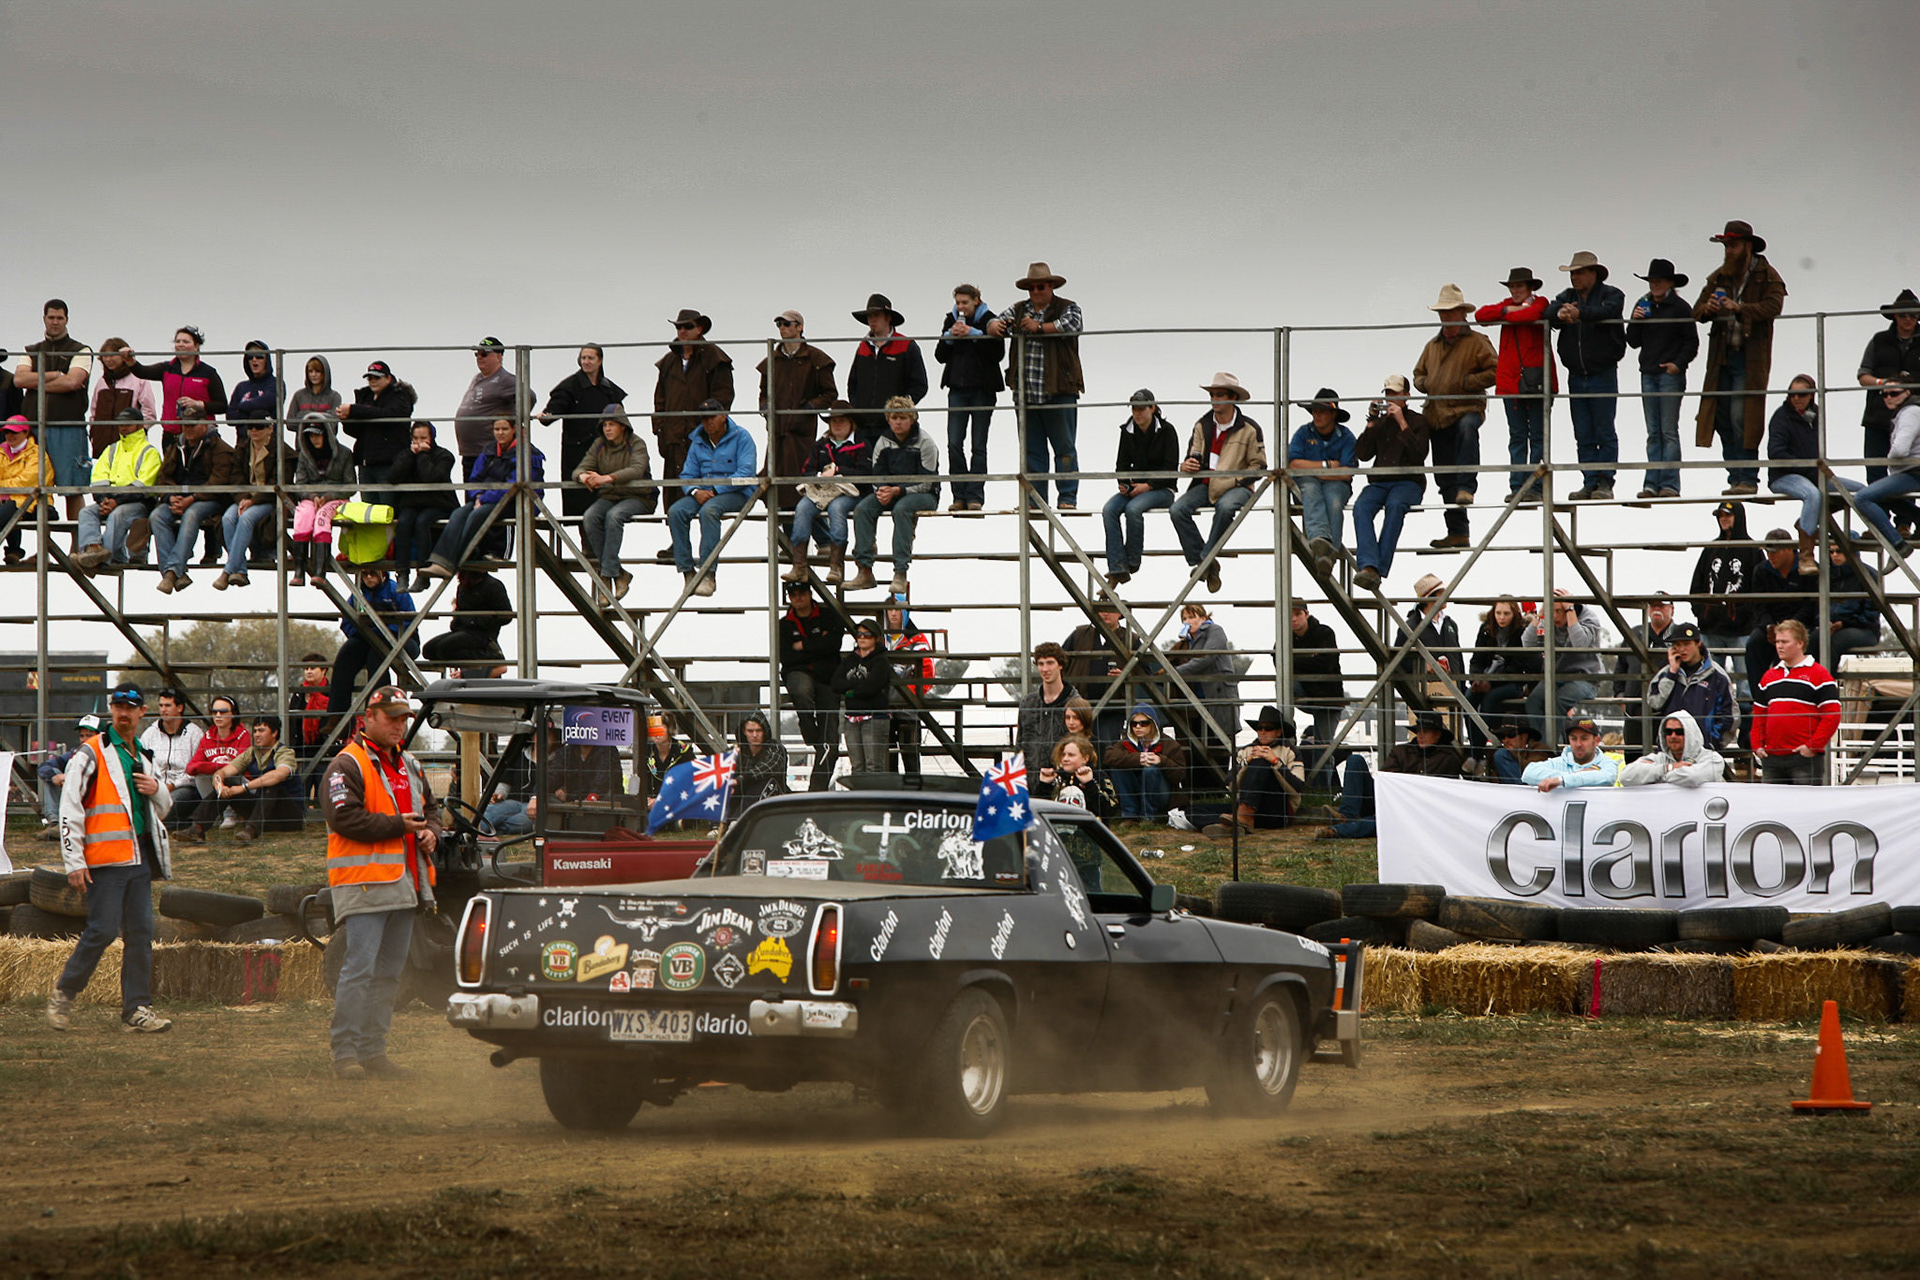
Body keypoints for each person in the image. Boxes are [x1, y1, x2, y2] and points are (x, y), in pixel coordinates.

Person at [323, 685, 442, 1079]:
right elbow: (344, 819)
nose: (398, 725)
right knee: (360, 969)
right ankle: (346, 1054)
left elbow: (432, 810)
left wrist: (433, 833)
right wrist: (399, 825)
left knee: (390, 972)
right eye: (390, 717)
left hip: (405, 883)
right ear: (368, 718)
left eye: (403, 718)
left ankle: (373, 1052)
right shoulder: (346, 764)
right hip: (364, 882)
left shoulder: (410, 763)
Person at [47, 684, 173, 1035]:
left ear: (141, 712)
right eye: (118, 706)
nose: (123, 712)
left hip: (138, 859)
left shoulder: (143, 755)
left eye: (130, 707)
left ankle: (136, 1010)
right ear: (111, 710)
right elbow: (69, 807)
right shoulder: (90, 752)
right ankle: (64, 993)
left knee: (141, 935)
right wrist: (74, 862)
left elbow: (165, 806)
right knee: (101, 931)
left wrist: (157, 789)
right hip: (104, 861)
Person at [1693, 220, 1788, 496]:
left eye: (1733, 245)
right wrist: (1708, 309)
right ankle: (1735, 477)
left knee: (1742, 416)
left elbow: (1775, 305)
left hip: (1750, 360)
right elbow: (1696, 310)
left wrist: (1741, 308)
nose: (1728, 251)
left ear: (1748, 246)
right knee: (1720, 417)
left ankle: (1748, 477)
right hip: (1721, 359)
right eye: (1726, 246)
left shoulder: (1768, 274)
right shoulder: (1719, 277)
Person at [987, 263, 1082, 509]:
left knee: (1065, 448)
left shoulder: (1068, 307)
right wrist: (993, 327)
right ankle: (1036, 501)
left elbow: (1073, 325)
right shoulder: (1018, 309)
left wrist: (1038, 328)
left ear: (1051, 286)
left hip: (1059, 390)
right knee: (1032, 451)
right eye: (1032, 287)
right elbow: (995, 321)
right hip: (1025, 393)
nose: (1037, 291)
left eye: (1041, 286)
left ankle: (1067, 498)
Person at [1414, 284, 1499, 545]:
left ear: (1462, 313)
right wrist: (1427, 385)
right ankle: (1458, 532)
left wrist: (1465, 381)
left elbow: (1496, 371)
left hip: (1467, 407)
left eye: (1450, 311)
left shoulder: (1477, 342)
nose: (1446, 317)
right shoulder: (1432, 345)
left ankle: (1467, 487)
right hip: (1437, 414)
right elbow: (1418, 375)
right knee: (1443, 475)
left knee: (1467, 430)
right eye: (1443, 312)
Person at [1170, 372, 1267, 592]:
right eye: (1212, 394)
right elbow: (1192, 455)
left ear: (1232, 397)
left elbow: (1259, 466)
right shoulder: (1201, 424)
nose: (1214, 398)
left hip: (1238, 487)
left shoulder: (1250, 429)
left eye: (1219, 394)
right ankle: (1206, 563)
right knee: (1177, 510)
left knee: (1225, 508)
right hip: (1205, 484)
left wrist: (1237, 480)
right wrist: (1186, 466)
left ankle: (1204, 560)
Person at [1548, 251, 1628, 500]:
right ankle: (1590, 480)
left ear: (1594, 273)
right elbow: (1549, 311)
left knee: (1603, 429)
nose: (1575, 277)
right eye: (1573, 273)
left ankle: (1605, 481)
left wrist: (1578, 313)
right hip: (1577, 372)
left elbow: (1607, 311)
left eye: (1579, 272)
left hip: (1602, 371)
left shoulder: (1611, 294)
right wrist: (1561, 314)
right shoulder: (1567, 297)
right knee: (1583, 431)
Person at [1314, 711, 1467, 841]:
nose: (1420, 735)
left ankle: (1337, 830)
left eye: (1425, 732)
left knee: (1387, 821)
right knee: (1355, 760)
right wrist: (1385, 800)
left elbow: (1469, 772)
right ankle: (1346, 815)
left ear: (1437, 735)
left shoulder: (1449, 757)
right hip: (1389, 798)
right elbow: (1385, 779)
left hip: (1414, 810)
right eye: (1418, 731)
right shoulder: (1402, 751)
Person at [425, 418, 545, 578]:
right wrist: (478, 496)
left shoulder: (528, 453)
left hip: (515, 501)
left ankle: (453, 561)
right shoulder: (489, 450)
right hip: (485, 499)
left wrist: (484, 499)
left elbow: (513, 485)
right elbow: (475, 478)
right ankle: (440, 561)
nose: (500, 433)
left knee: (478, 515)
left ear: (514, 430)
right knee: (459, 514)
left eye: (504, 429)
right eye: (497, 429)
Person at [1767, 375, 1861, 573]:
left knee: (1859, 491)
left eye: (1801, 394)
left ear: (1811, 395)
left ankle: (1807, 522)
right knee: (1812, 495)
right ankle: (1806, 557)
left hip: (1812, 475)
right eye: (1792, 394)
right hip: (1784, 476)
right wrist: (1808, 468)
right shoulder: (1781, 417)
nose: (1796, 399)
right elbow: (1776, 453)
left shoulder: (1816, 414)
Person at [1476, 268, 1555, 501]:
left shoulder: (1541, 302)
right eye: (1513, 287)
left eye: (1520, 286)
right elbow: (1481, 315)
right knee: (1518, 436)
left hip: (1537, 382)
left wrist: (1506, 314)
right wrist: (1507, 310)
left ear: (1530, 287)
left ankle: (1536, 487)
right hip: (1512, 383)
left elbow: (1531, 315)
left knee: (1538, 436)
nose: (1515, 290)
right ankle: (1518, 486)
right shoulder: (1508, 304)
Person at [1624, 258, 1700, 498]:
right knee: (1653, 432)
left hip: (1669, 376)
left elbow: (1692, 342)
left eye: (1659, 281)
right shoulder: (1643, 304)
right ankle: (1651, 484)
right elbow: (1633, 341)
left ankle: (1669, 484)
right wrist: (1635, 321)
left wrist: (1677, 365)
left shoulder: (1680, 307)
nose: (1654, 285)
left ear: (1669, 283)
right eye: (1652, 281)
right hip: (1648, 373)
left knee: (1668, 430)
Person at [849, 397, 938, 594]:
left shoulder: (926, 443)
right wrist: (881, 489)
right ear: (888, 419)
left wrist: (898, 490)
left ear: (912, 419)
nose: (898, 422)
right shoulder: (883, 441)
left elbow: (927, 482)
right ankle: (864, 570)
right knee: (863, 509)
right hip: (890, 492)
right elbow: (877, 473)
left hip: (923, 495)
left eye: (903, 418)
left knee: (902, 509)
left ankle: (900, 572)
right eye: (894, 417)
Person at [667, 399, 756, 597]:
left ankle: (708, 573)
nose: (708, 423)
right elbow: (688, 475)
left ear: (723, 416)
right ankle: (688, 572)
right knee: (675, 511)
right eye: (704, 419)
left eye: (712, 417)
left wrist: (716, 489)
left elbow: (746, 472)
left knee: (709, 511)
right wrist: (694, 491)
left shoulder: (742, 436)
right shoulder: (697, 441)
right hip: (703, 492)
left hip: (737, 493)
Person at [14, 299, 93, 519]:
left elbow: (72, 383)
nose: (55, 322)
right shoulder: (31, 350)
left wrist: (36, 382)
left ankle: (78, 548)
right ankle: (42, 550)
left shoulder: (81, 350)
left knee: (72, 488)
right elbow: (19, 379)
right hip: (34, 428)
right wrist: (55, 375)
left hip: (68, 428)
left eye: (60, 318)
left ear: (67, 320)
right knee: (35, 488)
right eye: (51, 317)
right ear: (44, 319)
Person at [1350, 375, 1429, 591]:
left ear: (1406, 395)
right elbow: (1363, 454)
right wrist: (1371, 423)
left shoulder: (1418, 421)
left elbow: (1419, 454)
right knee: (1361, 507)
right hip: (1380, 482)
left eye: (1395, 393)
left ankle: (1377, 568)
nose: (1391, 398)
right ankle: (1368, 565)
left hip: (1408, 482)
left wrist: (1402, 422)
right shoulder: (1380, 423)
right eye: (1387, 394)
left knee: (1395, 507)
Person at [755, 311, 837, 512]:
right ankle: (794, 541)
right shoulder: (771, 360)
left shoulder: (816, 359)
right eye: (779, 324)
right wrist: (765, 408)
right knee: (774, 488)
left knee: (802, 488)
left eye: (786, 323)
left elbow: (829, 393)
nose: (782, 327)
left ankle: (820, 539)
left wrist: (809, 408)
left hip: (802, 435)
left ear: (799, 327)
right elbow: (763, 392)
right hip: (776, 432)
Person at [150, 405, 236, 594]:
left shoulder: (219, 448)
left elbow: (219, 483)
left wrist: (193, 498)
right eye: (184, 425)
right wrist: (171, 496)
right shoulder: (176, 446)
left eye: (192, 425)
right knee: (157, 516)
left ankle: (172, 572)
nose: (187, 429)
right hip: (179, 498)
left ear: (205, 425)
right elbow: (163, 477)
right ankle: (174, 572)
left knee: (192, 514)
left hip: (209, 500)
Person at [574, 403, 655, 601]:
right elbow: (579, 468)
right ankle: (618, 574)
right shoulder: (599, 445)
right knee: (590, 516)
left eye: (612, 424)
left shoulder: (637, 443)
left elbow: (636, 469)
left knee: (614, 517)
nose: (607, 429)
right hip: (610, 496)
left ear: (623, 426)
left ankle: (606, 577)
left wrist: (607, 478)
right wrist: (584, 477)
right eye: (604, 425)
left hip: (639, 496)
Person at [1855, 289, 1920, 535]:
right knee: (1875, 473)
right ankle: (1879, 524)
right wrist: (1885, 385)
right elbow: (1863, 375)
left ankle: (1903, 525)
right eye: (1903, 314)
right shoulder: (1879, 340)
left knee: (1908, 472)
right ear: (1894, 316)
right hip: (1878, 417)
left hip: (1913, 418)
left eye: (1913, 315)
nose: (1908, 319)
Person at [652, 309, 734, 502]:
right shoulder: (668, 362)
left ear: (700, 329)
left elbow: (723, 397)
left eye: (688, 326)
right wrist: (660, 429)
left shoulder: (715, 357)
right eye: (679, 327)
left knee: (708, 502)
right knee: (675, 503)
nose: (682, 331)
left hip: (704, 439)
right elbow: (659, 401)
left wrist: (710, 427)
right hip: (673, 438)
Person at [935, 285, 1004, 511]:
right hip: (957, 389)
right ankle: (958, 495)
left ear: (976, 300)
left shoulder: (990, 320)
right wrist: (950, 337)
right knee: (954, 443)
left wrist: (975, 335)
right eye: (958, 302)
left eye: (965, 302)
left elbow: (997, 354)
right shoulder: (950, 320)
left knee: (978, 445)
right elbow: (939, 356)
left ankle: (975, 496)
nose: (961, 307)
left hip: (982, 390)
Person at [539, 343, 627, 520]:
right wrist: (548, 415)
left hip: (606, 453)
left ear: (600, 361)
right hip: (578, 453)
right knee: (581, 506)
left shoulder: (608, 388)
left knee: (608, 505)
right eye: (583, 358)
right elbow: (555, 408)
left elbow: (621, 418)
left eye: (590, 358)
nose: (586, 361)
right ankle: (587, 548)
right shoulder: (569, 386)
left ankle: (598, 548)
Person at [1102, 389, 1180, 584]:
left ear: (1153, 408)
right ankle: (1117, 566)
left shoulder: (1167, 431)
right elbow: (1121, 465)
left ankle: (1132, 561)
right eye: (1134, 409)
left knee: (1133, 509)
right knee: (1109, 509)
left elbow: (1171, 469)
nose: (1137, 413)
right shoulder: (1126, 430)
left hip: (1163, 490)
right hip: (1135, 489)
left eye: (1142, 408)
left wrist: (1149, 485)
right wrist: (1124, 485)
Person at [1751, 619, 1840, 785]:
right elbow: (1759, 714)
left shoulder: (1820, 674)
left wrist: (1812, 747)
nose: (1779, 646)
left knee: (1805, 808)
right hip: (1772, 758)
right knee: (1772, 808)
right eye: (1777, 641)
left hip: (1804, 759)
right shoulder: (1769, 677)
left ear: (1800, 643)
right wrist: (1757, 745)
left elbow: (1832, 715)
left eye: (1784, 641)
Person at [786, 400, 866, 584]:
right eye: (833, 421)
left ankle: (835, 566)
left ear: (851, 423)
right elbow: (807, 471)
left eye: (841, 420)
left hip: (850, 493)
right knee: (802, 508)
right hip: (821, 492)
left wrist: (838, 472)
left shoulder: (862, 444)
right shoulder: (820, 445)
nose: (837, 424)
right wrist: (821, 476)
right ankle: (799, 566)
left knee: (837, 509)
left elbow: (865, 473)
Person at [75, 407, 163, 571]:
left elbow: (143, 486)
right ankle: (92, 548)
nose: (123, 427)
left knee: (118, 515)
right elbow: (98, 478)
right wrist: (104, 500)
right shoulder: (111, 449)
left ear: (139, 425)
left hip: (139, 503)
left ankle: (104, 559)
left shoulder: (149, 452)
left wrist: (116, 501)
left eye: (128, 424)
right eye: (121, 424)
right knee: (86, 512)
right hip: (111, 500)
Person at [213, 415, 294, 591]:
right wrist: (242, 498)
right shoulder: (242, 449)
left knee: (246, 519)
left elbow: (280, 483)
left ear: (270, 428)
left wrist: (253, 501)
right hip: (245, 498)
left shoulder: (282, 451)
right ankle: (240, 570)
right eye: (251, 427)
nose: (254, 431)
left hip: (270, 500)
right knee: (228, 518)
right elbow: (235, 477)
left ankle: (228, 571)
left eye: (259, 426)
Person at [328, 568, 419, 723]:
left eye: (372, 573)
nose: (369, 578)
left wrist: (384, 631)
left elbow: (410, 620)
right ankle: (336, 716)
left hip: (403, 640)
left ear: (382, 574)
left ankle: (379, 711)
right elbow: (347, 622)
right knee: (345, 656)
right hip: (368, 639)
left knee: (376, 657)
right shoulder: (358, 595)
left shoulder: (396, 591)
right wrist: (363, 634)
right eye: (364, 574)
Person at [778, 578, 844, 790]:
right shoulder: (783, 624)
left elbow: (834, 644)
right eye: (793, 595)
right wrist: (818, 647)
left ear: (810, 594)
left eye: (802, 593)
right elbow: (786, 657)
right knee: (800, 689)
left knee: (830, 746)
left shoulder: (828, 616)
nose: (798, 598)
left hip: (827, 679)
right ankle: (809, 729)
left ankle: (816, 792)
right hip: (801, 674)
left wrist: (803, 646)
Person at [1199, 706, 1305, 836]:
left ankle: (1236, 821)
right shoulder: (1245, 751)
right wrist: (1246, 762)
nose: (1263, 732)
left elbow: (1298, 788)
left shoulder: (1290, 751)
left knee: (1261, 761)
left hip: (1277, 809)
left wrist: (1275, 762)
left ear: (1278, 732)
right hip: (1245, 807)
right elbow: (1229, 785)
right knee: (1193, 811)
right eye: (1259, 728)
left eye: (1268, 728)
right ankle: (1236, 824)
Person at [1689, 501, 1760, 689]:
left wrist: (1745, 616)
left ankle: (1745, 719)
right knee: (1708, 684)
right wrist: (1701, 612)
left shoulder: (1753, 550)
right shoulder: (1711, 549)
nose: (1723, 519)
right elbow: (1697, 584)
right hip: (1711, 629)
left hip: (1742, 631)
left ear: (1738, 517)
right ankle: (1712, 718)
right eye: (1720, 516)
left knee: (1746, 685)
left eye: (1728, 515)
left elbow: (1760, 589)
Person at [1287, 388, 1359, 573]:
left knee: (1333, 501)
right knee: (1311, 490)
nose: (1316, 415)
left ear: (1333, 414)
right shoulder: (1303, 432)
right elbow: (1293, 464)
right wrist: (1328, 466)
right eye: (1314, 411)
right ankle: (1323, 545)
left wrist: (1313, 470)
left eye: (1321, 411)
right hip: (1310, 484)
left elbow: (1347, 473)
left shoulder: (1347, 436)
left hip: (1335, 486)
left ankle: (1326, 554)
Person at [1522, 589, 1606, 741]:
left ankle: (1547, 749)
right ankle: (1539, 743)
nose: (1554, 616)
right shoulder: (1549, 619)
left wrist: (1570, 611)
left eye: (1559, 611)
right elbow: (1527, 642)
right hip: (1557, 676)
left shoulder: (1588, 618)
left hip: (1586, 677)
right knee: (1534, 701)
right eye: (1551, 611)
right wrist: (1541, 614)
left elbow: (1579, 644)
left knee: (1559, 701)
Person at [1743, 529, 1820, 692]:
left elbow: (1811, 604)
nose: (1770, 556)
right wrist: (1768, 626)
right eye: (1767, 552)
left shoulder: (1810, 569)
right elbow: (1758, 605)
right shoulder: (1761, 570)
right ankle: (1760, 698)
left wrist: (1792, 626)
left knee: (1812, 644)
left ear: (1789, 549)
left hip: (1802, 625)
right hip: (1771, 626)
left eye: (1775, 552)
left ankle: (1801, 692)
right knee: (1754, 644)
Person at [1645, 621, 1740, 751]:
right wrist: (1671, 675)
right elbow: (1654, 703)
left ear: (1698, 643)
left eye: (1687, 644)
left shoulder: (1718, 676)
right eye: (1677, 645)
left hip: (1703, 752)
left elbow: (1729, 715)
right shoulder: (1665, 674)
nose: (1682, 649)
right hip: (1670, 751)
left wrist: (1713, 744)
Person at [337, 360, 419, 509]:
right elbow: (356, 432)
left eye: (377, 377)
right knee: (369, 513)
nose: (373, 381)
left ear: (388, 378)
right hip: (366, 465)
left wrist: (355, 410)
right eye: (370, 378)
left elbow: (389, 416)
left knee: (388, 512)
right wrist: (346, 419)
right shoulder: (365, 397)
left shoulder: (400, 396)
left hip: (389, 466)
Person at [387, 421, 458, 592]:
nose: (419, 442)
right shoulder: (404, 454)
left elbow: (431, 477)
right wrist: (410, 456)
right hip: (412, 503)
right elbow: (393, 477)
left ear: (432, 438)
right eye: (416, 438)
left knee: (422, 522)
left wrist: (422, 456)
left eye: (423, 438)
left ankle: (423, 574)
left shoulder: (444, 456)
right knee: (403, 522)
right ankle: (402, 573)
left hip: (438, 503)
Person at [1168, 602, 1240, 769]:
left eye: (1192, 617)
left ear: (1203, 617)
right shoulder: (1187, 641)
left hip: (1218, 696)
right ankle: (1204, 791)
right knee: (1199, 745)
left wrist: (1173, 673)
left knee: (1219, 743)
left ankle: (1219, 790)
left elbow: (1206, 658)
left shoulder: (1215, 631)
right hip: (1199, 700)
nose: (1188, 621)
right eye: (1184, 618)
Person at [1852, 383, 1920, 553]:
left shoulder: (1909, 412)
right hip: (1910, 471)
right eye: (1885, 394)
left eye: (1894, 393)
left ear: (1907, 392)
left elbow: (1900, 449)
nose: (1889, 397)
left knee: (1862, 498)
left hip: (1913, 473)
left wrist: (1890, 460)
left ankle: (1897, 544)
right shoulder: (1905, 412)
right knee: (1883, 496)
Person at [290, 412, 357, 586]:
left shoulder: (345, 453)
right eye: (311, 435)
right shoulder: (304, 455)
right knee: (303, 517)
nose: (314, 439)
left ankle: (320, 571)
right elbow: (300, 484)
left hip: (337, 500)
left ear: (328, 433)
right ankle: (299, 571)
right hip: (310, 498)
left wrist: (328, 497)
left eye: (318, 434)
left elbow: (350, 486)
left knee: (322, 518)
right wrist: (312, 496)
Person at [1468, 596, 1537, 760]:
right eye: (1498, 612)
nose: (1501, 617)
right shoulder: (1485, 629)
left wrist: (1490, 682)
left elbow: (1519, 665)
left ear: (1514, 614)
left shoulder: (1522, 631)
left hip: (1512, 682)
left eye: (1506, 613)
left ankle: (1479, 753)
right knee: (1468, 698)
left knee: (1489, 701)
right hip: (1486, 679)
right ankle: (1476, 752)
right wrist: (1476, 679)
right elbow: (1477, 659)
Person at [1394, 574, 1465, 733]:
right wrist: (1422, 667)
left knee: (1453, 733)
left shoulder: (1450, 623)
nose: (1445, 595)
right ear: (1430, 598)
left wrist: (1462, 684)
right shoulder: (1410, 626)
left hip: (1453, 688)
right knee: (1427, 733)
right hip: (1424, 692)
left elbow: (1458, 656)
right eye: (1441, 592)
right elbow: (1398, 660)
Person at [213, 716, 301, 841]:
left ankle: (251, 830)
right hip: (264, 812)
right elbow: (221, 772)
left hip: (288, 816)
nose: (257, 735)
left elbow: (278, 775)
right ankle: (197, 827)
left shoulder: (285, 752)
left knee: (271, 782)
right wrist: (220, 787)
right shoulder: (252, 752)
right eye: (254, 731)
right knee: (227, 781)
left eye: (261, 730)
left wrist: (244, 787)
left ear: (274, 733)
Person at [129, 325, 228, 435]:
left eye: (186, 342)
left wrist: (198, 404)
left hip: (201, 435)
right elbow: (142, 372)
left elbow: (222, 406)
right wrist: (130, 361)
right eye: (177, 341)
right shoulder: (166, 369)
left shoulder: (208, 373)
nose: (181, 344)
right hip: (171, 434)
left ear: (196, 346)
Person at [1612, 592, 1679, 753]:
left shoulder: (1680, 635)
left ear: (1672, 609)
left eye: (1661, 606)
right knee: (1633, 759)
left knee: (1665, 759)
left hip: (1668, 713)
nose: (1657, 609)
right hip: (1634, 711)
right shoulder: (1633, 634)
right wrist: (1620, 696)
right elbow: (1620, 668)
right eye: (1653, 605)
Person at [1102, 704, 1188, 823]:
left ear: (1153, 724)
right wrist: (1138, 759)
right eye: (1134, 724)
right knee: (1118, 767)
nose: (1138, 727)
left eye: (1144, 723)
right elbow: (1107, 756)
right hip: (1135, 792)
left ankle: (1149, 816)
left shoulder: (1169, 744)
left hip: (1161, 794)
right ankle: (1129, 815)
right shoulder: (1125, 743)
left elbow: (1180, 774)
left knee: (1150, 770)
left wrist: (1161, 761)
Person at [179, 695, 248, 842]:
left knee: (229, 777)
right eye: (214, 711)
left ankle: (228, 815)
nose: (218, 715)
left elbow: (239, 766)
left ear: (233, 713)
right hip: (218, 786)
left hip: (240, 786)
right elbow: (192, 767)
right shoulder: (208, 736)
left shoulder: (243, 735)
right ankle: (218, 815)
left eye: (223, 711)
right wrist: (217, 769)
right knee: (201, 776)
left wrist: (211, 768)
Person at [832, 620, 893, 775]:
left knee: (874, 766)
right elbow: (835, 684)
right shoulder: (850, 659)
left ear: (877, 638)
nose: (862, 638)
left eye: (867, 634)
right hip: (851, 718)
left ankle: (875, 799)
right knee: (857, 767)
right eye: (859, 634)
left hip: (875, 718)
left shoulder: (881, 661)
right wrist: (857, 685)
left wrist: (849, 691)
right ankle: (859, 799)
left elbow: (871, 688)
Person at [452, 337, 519, 476]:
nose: (479, 357)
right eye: (477, 354)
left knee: (486, 492)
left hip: (488, 451)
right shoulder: (478, 377)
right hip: (469, 451)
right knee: (470, 492)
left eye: (484, 354)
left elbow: (529, 396)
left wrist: (515, 421)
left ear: (499, 357)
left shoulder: (506, 379)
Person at [883, 595, 933, 780]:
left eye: (898, 609)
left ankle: (914, 799)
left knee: (911, 759)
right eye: (891, 609)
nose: (894, 613)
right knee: (888, 761)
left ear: (906, 612)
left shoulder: (917, 639)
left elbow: (928, 670)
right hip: (882, 708)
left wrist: (909, 694)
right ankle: (891, 801)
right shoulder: (878, 637)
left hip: (908, 709)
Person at [139, 690, 203, 832]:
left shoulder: (194, 733)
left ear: (180, 708)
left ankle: (155, 826)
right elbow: (142, 762)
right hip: (155, 786)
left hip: (185, 788)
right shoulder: (150, 733)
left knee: (172, 802)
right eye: (161, 705)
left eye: (168, 705)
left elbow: (196, 770)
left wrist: (172, 785)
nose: (163, 709)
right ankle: (169, 825)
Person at [420, 568, 509, 665]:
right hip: (462, 630)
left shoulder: (493, 586)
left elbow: (506, 616)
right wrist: (456, 623)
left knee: (444, 649)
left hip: (483, 634)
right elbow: (460, 609)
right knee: (429, 650)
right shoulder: (462, 586)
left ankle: (491, 656)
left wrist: (476, 621)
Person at [1015, 641, 1079, 777]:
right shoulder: (1027, 703)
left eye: (1050, 663)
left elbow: (1083, 746)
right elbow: (1020, 746)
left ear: (1060, 665)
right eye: (1041, 664)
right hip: (1030, 780)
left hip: (1063, 782)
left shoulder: (1075, 703)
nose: (1045, 669)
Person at [1288, 600, 1346, 746]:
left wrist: (1296, 661)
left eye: (1297, 614)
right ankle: (1287, 731)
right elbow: (1280, 664)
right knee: (1283, 680)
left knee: (1323, 750)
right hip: (1305, 694)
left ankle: (1286, 732)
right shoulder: (1284, 637)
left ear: (1306, 614)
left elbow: (1327, 663)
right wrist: (1312, 659)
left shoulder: (1324, 632)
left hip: (1327, 698)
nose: (1293, 619)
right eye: (1289, 615)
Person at [1620, 711, 1728, 788]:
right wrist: (1668, 768)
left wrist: (1654, 777)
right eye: (1668, 732)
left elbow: (1691, 777)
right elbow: (1626, 777)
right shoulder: (1659, 759)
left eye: (1679, 732)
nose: (1673, 736)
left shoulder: (1713, 759)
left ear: (1690, 734)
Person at [88, 339, 157, 457]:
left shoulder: (139, 379)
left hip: (130, 446)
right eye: (105, 356)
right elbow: (94, 412)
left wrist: (138, 431)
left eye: (113, 355)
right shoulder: (101, 382)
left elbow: (149, 412)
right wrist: (93, 432)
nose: (108, 360)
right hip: (103, 445)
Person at [37, 715, 102, 838]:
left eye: (89, 735)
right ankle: (55, 823)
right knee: (52, 774)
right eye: (82, 735)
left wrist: (70, 777)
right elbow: (43, 767)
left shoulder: (106, 755)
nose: (84, 739)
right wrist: (55, 777)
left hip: (95, 802)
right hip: (74, 797)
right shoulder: (75, 753)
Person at [1521, 716, 1621, 791]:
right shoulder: (1559, 762)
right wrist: (1572, 776)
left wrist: (1562, 780)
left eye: (1584, 738)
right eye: (1573, 738)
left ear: (1596, 741)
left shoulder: (1608, 763)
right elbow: (1528, 773)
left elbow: (1607, 778)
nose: (1578, 744)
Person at [1825, 544, 1883, 671]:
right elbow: (1817, 607)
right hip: (1831, 627)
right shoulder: (1826, 574)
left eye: (1839, 550)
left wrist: (1844, 623)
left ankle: (1825, 684)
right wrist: (1824, 621)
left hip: (1865, 630)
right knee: (1811, 639)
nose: (1834, 555)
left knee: (1834, 642)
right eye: (1831, 551)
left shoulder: (1869, 575)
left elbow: (1871, 614)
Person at [1033, 735, 1118, 818]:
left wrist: (1090, 784)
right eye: (1063, 755)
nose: (1065, 759)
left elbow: (1109, 811)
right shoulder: (1055, 776)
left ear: (1085, 759)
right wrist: (1044, 785)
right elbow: (1036, 811)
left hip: (1088, 829)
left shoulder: (1098, 776)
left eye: (1071, 755)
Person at [286, 654, 332, 800]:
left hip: (326, 750)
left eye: (313, 668)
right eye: (306, 668)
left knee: (324, 792)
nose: (308, 672)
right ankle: (303, 821)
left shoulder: (332, 693)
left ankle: (320, 820)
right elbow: (291, 721)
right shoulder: (299, 693)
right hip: (302, 750)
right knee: (300, 791)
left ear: (324, 670)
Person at [0, 414, 45, 563]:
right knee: (7, 508)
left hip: (30, 501)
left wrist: (3, 485)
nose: (10, 436)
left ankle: (14, 550)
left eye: (15, 432)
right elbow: (20, 482)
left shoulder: (37, 454)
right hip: (8, 500)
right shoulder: (1, 451)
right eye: (7, 432)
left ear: (26, 432)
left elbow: (27, 483)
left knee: (9, 509)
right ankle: (13, 551)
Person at [732, 710, 789, 815]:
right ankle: (717, 824)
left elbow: (769, 767)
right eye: (750, 731)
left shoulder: (775, 748)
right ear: (744, 731)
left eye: (758, 731)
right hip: (742, 795)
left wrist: (741, 779)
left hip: (773, 797)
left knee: (761, 782)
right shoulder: (738, 750)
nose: (754, 735)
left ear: (764, 731)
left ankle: (737, 821)